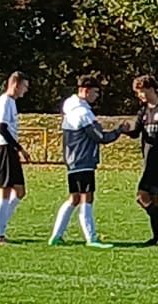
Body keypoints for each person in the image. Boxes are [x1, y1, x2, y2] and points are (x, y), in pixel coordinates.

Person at [50, 75, 121, 248]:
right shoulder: (83, 113)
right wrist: (119, 131)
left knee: (74, 198)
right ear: (86, 91)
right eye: (96, 92)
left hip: (73, 161)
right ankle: (91, 238)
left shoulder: (71, 109)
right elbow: (100, 137)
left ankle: (56, 235)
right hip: (83, 161)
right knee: (86, 198)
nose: (97, 96)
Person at [121, 74, 158, 246]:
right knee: (153, 198)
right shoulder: (144, 111)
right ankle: (157, 235)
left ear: (150, 89)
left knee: (141, 196)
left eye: (141, 92)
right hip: (148, 160)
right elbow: (135, 133)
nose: (140, 95)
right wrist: (123, 130)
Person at [0, 72, 34, 245]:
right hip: (3, 149)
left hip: (10, 150)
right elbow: (2, 129)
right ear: (16, 84)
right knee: (4, 191)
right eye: (25, 86)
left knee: (20, 192)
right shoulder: (5, 102)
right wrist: (19, 148)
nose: (26, 90)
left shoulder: (11, 103)